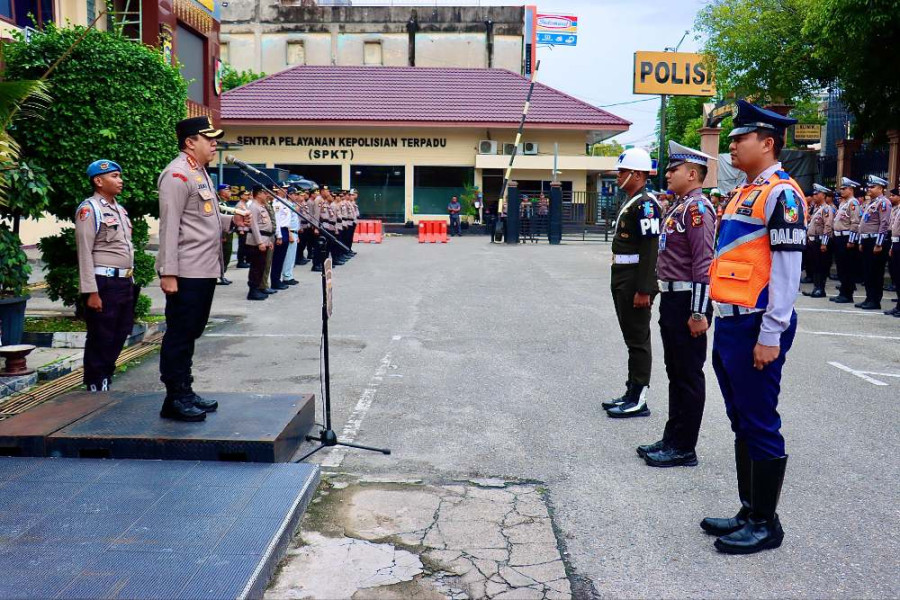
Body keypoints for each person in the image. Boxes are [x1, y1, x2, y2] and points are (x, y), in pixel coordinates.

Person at [702, 100, 806, 555]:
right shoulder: (743, 192)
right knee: (741, 419)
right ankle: (749, 509)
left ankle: (767, 523)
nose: (731, 146)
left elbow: (786, 273)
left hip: (757, 325)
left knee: (760, 421)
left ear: (767, 143)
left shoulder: (782, 194)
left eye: (739, 139)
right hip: (730, 324)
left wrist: (771, 334)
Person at [638, 141, 716, 468]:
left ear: (693, 173)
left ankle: (685, 447)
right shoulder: (681, 206)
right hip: (672, 298)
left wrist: (699, 311)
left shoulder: (698, 209)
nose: (668, 173)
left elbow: (703, 263)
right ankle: (673, 437)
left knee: (687, 374)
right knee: (675, 372)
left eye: (674, 169)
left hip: (688, 301)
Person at [155, 116, 233, 422]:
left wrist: (230, 222)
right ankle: (175, 397)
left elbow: (200, 220)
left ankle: (185, 390)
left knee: (192, 331)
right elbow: (170, 227)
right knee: (180, 334)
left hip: (203, 269)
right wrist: (168, 272)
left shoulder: (199, 173)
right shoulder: (177, 175)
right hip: (185, 271)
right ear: (190, 142)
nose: (214, 143)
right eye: (208, 138)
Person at [602, 147, 661, 418]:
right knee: (631, 338)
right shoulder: (633, 200)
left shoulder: (646, 204)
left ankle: (639, 398)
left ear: (637, 174)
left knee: (638, 339)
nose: (618, 176)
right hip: (623, 275)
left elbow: (650, 248)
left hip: (636, 278)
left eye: (623, 172)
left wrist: (644, 289)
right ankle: (631, 391)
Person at [75, 160, 135, 393]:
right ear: (98, 181)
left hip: (124, 281)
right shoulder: (90, 209)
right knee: (101, 334)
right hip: (104, 283)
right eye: (114, 176)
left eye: (120, 176)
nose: (120, 180)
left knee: (121, 331)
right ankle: (95, 382)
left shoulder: (119, 209)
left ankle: (105, 376)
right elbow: (84, 251)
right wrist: (91, 292)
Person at [855, 175, 892, 309]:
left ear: (881, 188)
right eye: (869, 186)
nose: (869, 189)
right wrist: (860, 241)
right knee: (868, 271)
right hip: (866, 240)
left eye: (872, 186)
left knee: (875, 272)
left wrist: (879, 244)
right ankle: (869, 298)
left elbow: (884, 224)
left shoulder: (884, 202)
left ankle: (875, 300)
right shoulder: (871, 203)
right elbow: (863, 223)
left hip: (875, 241)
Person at [830, 178, 862, 303]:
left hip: (846, 238)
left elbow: (855, 223)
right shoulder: (844, 203)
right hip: (839, 237)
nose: (841, 191)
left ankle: (847, 294)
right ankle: (843, 292)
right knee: (841, 267)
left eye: (844, 189)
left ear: (850, 189)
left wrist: (851, 240)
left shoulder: (853, 203)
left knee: (847, 267)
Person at [802, 184, 834, 298]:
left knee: (821, 266)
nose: (814, 196)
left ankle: (820, 289)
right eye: (814, 194)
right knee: (814, 266)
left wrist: (824, 243)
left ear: (823, 195)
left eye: (817, 194)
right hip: (812, 241)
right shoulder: (817, 208)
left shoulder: (826, 209)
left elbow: (828, 226)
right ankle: (816, 288)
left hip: (820, 241)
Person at [245, 185, 274, 301]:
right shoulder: (253, 207)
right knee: (256, 267)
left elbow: (266, 226)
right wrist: (260, 242)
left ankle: (257, 288)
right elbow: (254, 226)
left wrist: (269, 241)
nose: (266, 195)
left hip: (264, 240)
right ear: (258, 194)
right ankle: (253, 290)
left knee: (261, 266)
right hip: (256, 242)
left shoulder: (261, 206)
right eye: (264, 193)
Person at [270, 185, 291, 291]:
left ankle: (278, 279)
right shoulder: (276, 203)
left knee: (282, 257)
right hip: (281, 231)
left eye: (287, 188)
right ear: (277, 190)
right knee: (277, 258)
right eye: (284, 188)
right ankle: (275, 281)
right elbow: (277, 221)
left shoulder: (284, 201)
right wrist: (279, 236)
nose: (286, 190)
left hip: (285, 230)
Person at [281, 187, 301, 286]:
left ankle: (289, 275)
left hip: (294, 232)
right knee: (288, 256)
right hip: (290, 232)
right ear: (289, 194)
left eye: (296, 194)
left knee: (292, 256)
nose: (296, 196)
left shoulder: (293, 204)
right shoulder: (287, 205)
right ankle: (287, 276)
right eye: (294, 194)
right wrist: (290, 235)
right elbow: (286, 222)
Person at [886, 187, 900, 316]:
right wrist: (891, 247)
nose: (891, 197)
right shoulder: (897, 210)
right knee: (896, 275)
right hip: (895, 243)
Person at [216, 184, 234, 286]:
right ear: (221, 192)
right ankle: (218, 276)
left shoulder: (225, 204)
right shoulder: (219, 204)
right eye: (227, 190)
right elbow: (219, 221)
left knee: (227, 254)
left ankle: (222, 275)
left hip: (228, 233)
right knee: (221, 255)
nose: (230, 192)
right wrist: (222, 235)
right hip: (223, 234)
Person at [235, 189, 252, 269]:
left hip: (246, 228)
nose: (248, 196)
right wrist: (240, 229)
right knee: (242, 246)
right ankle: (240, 262)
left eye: (248, 194)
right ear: (241, 196)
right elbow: (238, 219)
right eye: (246, 195)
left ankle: (245, 260)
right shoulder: (239, 205)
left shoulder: (245, 204)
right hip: (242, 229)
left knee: (246, 246)